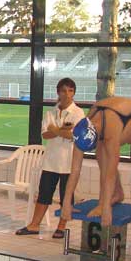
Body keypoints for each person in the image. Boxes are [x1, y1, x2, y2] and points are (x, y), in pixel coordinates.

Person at [62, 97, 131, 226]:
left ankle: (104, 202)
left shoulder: (111, 131)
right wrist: (66, 202)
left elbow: (110, 173)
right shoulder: (81, 131)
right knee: (102, 154)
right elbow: (75, 170)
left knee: (105, 157)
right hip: (106, 113)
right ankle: (118, 193)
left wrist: (106, 207)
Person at [16, 78, 84, 238]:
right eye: (64, 91)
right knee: (44, 195)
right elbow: (45, 135)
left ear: (74, 93)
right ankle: (34, 225)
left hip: (69, 162)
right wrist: (61, 130)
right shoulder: (50, 112)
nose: (67, 94)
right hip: (51, 161)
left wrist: (55, 129)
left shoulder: (78, 113)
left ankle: (61, 227)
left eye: (70, 91)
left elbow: (72, 135)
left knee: (66, 197)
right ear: (58, 92)